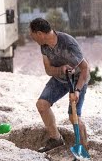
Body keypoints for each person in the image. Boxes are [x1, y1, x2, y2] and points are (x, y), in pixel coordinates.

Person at [29, 18, 91, 153]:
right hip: (59, 80)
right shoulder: (44, 46)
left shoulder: (68, 43)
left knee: (73, 116)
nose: (31, 37)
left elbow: (85, 69)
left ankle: (84, 148)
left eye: (32, 34)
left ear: (39, 33)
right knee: (42, 105)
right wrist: (60, 69)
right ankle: (56, 139)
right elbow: (48, 70)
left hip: (78, 79)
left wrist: (78, 90)